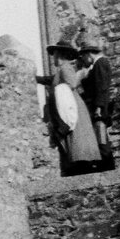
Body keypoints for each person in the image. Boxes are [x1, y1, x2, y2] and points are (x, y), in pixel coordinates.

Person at [37, 39, 101, 175]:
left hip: (70, 105)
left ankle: (82, 165)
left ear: (59, 55)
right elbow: (51, 79)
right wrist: (37, 78)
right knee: (75, 138)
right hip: (69, 105)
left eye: (54, 54)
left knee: (77, 137)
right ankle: (79, 164)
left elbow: (71, 82)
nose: (53, 57)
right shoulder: (62, 70)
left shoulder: (65, 68)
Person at [78, 39, 115, 170]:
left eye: (83, 56)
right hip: (97, 107)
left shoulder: (100, 63)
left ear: (89, 54)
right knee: (100, 136)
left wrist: (99, 107)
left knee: (101, 137)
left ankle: (107, 166)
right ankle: (104, 164)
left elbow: (102, 87)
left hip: (99, 109)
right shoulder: (97, 64)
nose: (83, 60)